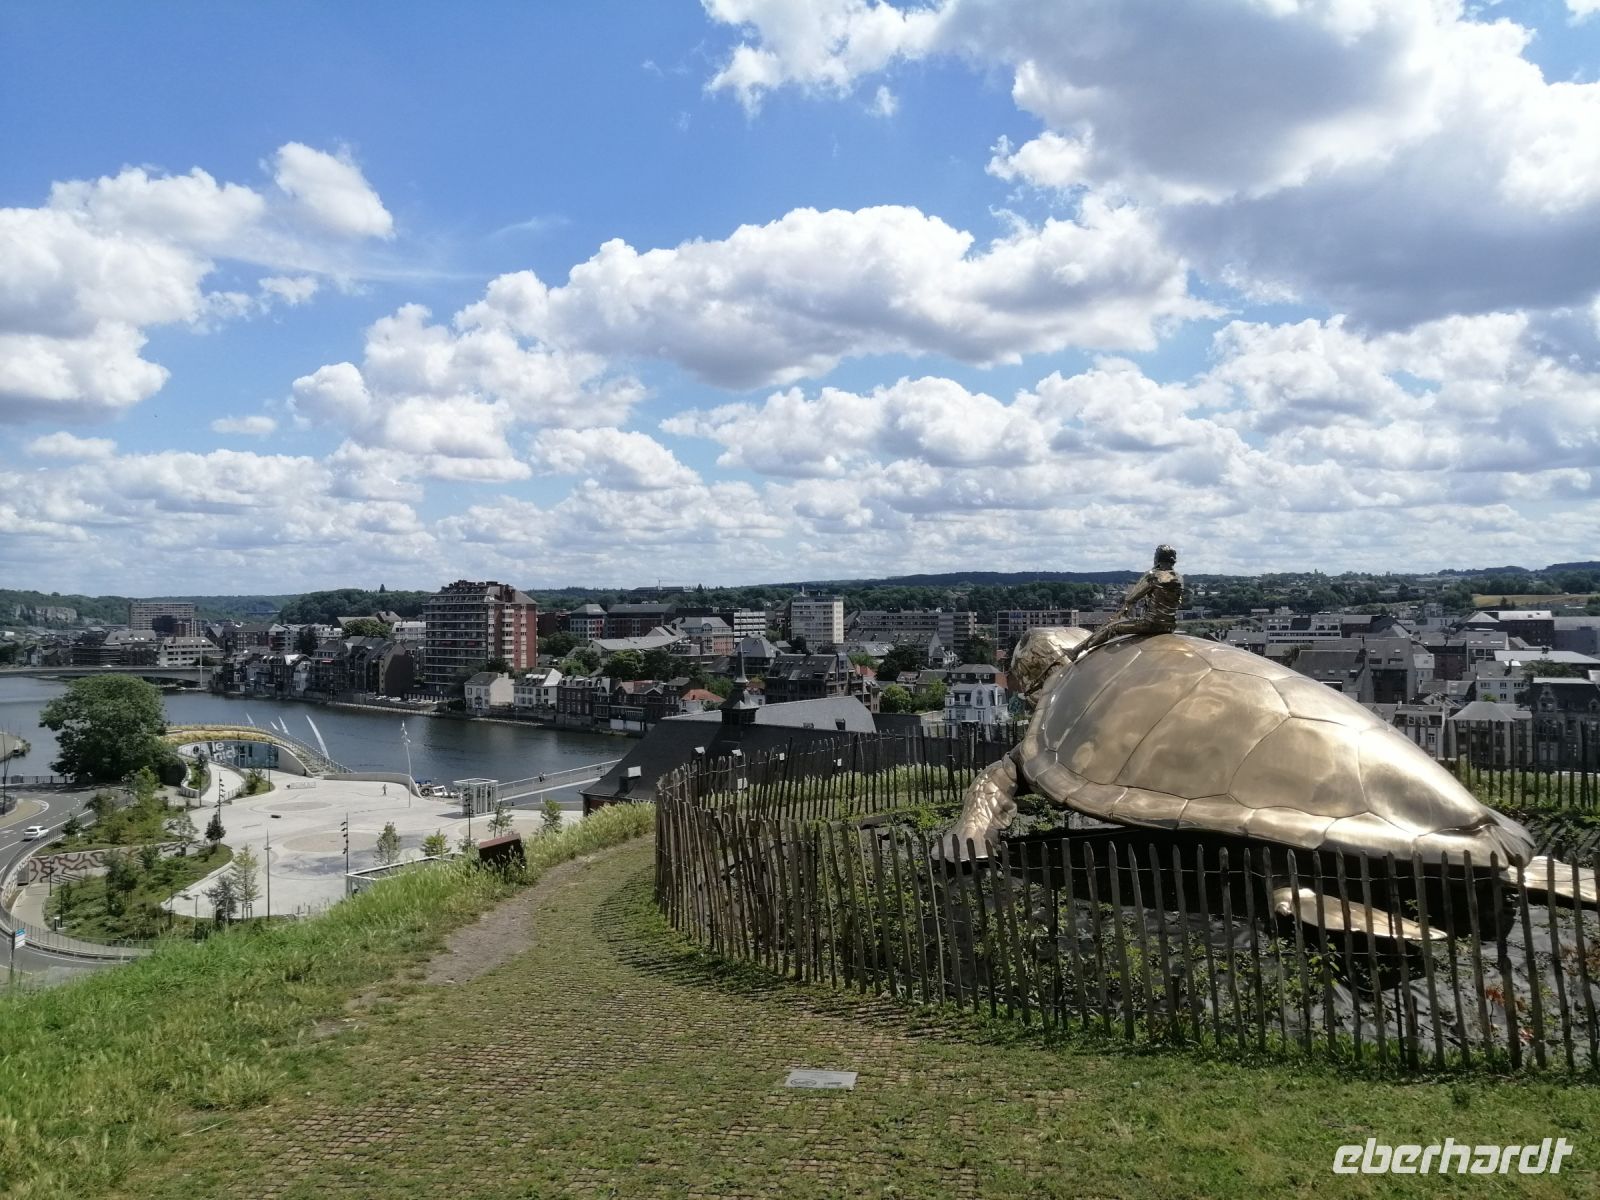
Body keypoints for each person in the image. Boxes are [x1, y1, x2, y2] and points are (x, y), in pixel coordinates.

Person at [1069, 544, 1183, 661]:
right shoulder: (1179, 578)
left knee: (1112, 628)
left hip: (1151, 624)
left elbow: (1131, 598)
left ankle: (1077, 650)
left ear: (1158, 558)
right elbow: (1178, 601)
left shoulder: (1153, 575)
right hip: (1170, 626)